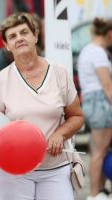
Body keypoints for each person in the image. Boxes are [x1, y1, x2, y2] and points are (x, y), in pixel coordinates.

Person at [0, 12, 84, 200]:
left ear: (35, 36)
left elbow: (77, 116)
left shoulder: (59, 73)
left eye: (24, 32)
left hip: (55, 167)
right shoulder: (0, 81)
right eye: (12, 36)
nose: (19, 38)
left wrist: (60, 133)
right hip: (12, 170)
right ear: (6, 45)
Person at [77, 17, 112, 200]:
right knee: (99, 152)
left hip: (92, 102)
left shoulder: (87, 50)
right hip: (100, 103)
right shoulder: (98, 53)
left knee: (98, 150)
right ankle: (94, 194)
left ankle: (99, 191)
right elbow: (107, 86)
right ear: (110, 34)